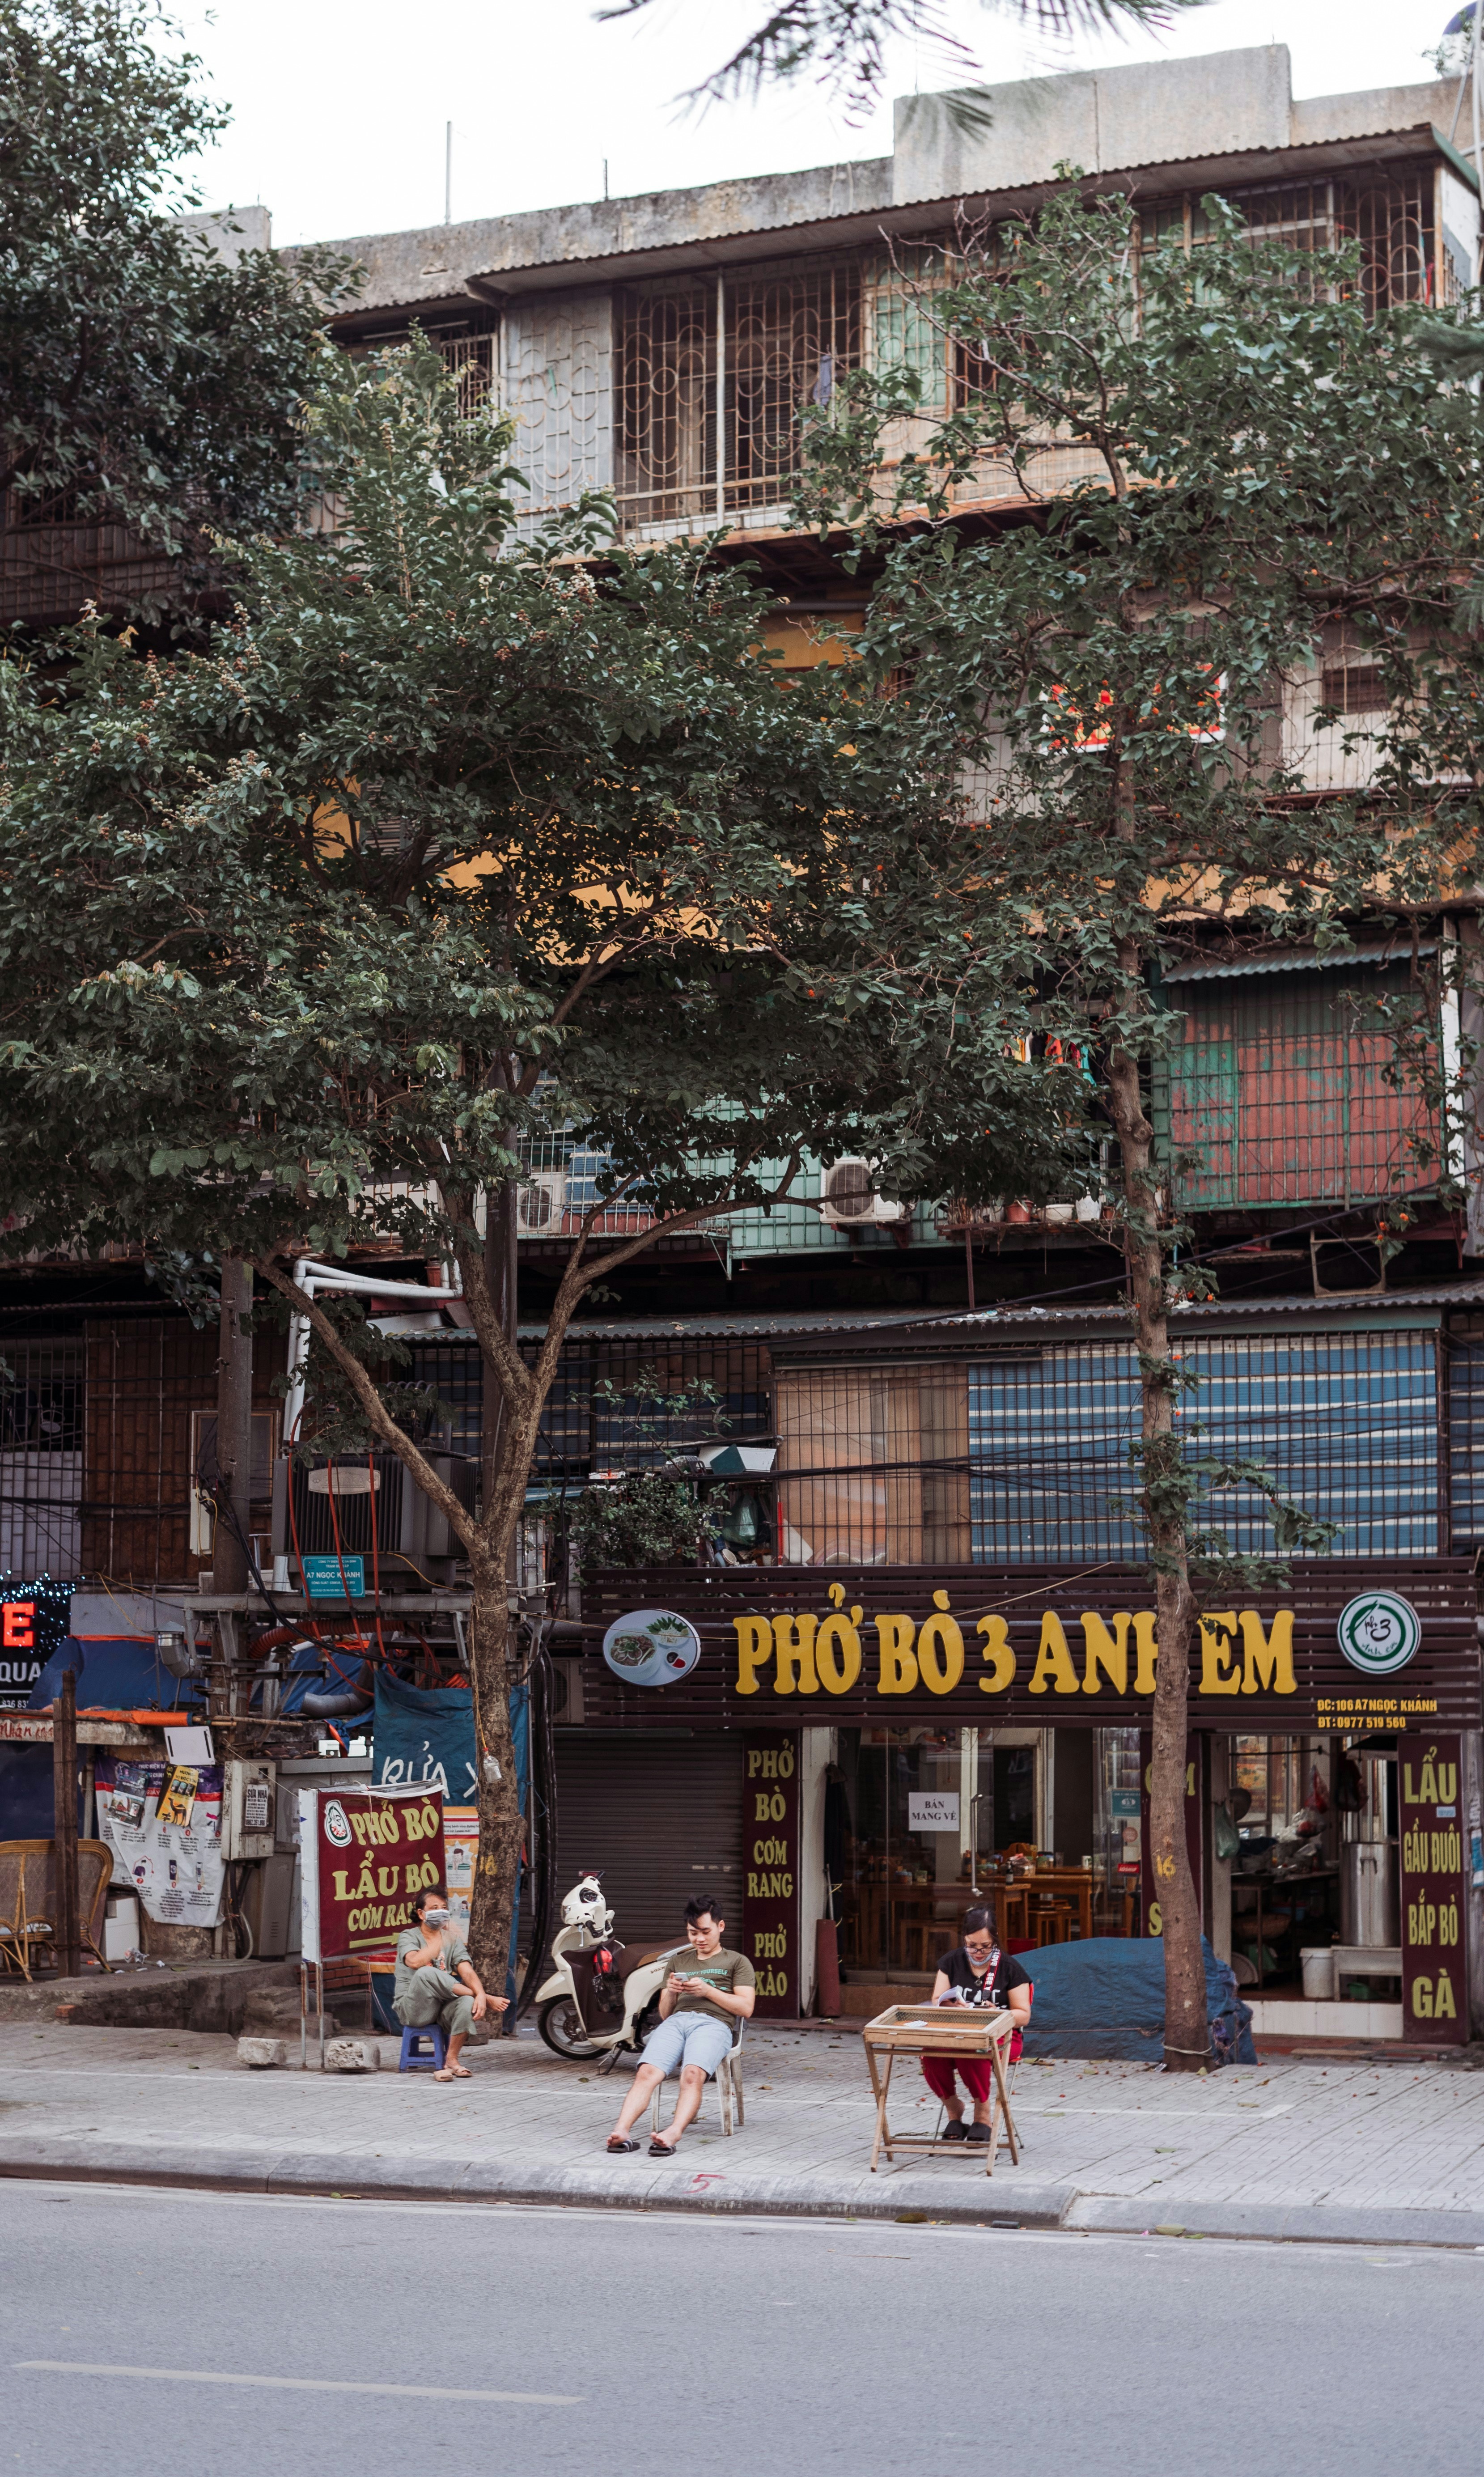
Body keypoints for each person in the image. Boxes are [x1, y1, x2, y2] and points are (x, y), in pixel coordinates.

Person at [605, 1897, 755, 2157]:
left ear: (721, 1926)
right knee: (647, 2073)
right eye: (693, 1933)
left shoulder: (737, 1962)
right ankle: (622, 2132)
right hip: (677, 2022)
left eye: (706, 1932)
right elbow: (665, 2013)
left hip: (715, 2024)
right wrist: (672, 1993)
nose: (699, 1939)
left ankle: (673, 2132)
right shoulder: (678, 1962)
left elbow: (746, 2008)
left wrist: (708, 1991)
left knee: (692, 2075)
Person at [922, 1903, 1032, 2145]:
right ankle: (954, 2108)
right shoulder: (951, 1961)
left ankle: (983, 2114)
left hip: (1002, 2036)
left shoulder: (1009, 1967)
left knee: (972, 2049)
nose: (979, 1953)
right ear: (964, 1940)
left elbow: (1024, 2015)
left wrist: (999, 2015)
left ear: (995, 1940)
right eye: (972, 1946)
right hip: (958, 2030)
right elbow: (937, 2000)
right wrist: (950, 2005)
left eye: (985, 1947)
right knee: (930, 2052)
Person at [393, 1882, 506, 2079]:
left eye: (444, 1908)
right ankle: (487, 1997)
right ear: (421, 1914)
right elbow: (414, 1962)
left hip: (442, 2009)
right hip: (413, 2009)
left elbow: (468, 1972)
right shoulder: (408, 1936)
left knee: (467, 2001)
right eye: (434, 1909)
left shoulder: (451, 1940)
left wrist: (477, 1994)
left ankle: (451, 2060)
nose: (441, 1912)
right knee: (425, 1972)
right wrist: (484, 1997)